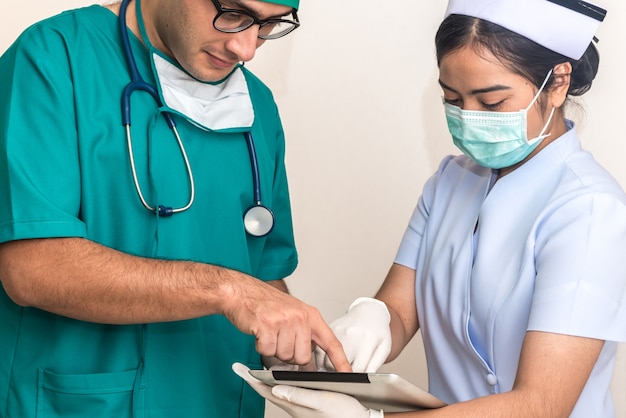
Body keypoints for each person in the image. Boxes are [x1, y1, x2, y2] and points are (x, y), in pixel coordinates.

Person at [235, 0, 626, 416]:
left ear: (558, 83)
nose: (468, 117)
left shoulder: (590, 210)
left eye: (491, 102)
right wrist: (369, 320)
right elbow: (400, 314)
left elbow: (541, 404)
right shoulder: (449, 182)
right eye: (452, 99)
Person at [0, 0, 351, 416]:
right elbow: (32, 269)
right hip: (84, 404)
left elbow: (261, 275)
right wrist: (227, 290)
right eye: (235, 12)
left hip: (219, 402)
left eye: (268, 25)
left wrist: (296, 346)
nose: (247, 48)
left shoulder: (257, 105)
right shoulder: (54, 58)